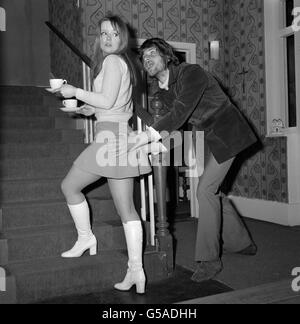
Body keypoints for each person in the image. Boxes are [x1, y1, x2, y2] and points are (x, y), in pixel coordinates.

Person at [133, 38, 258, 282]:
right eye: (144, 57)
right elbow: (167, 123)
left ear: (167, 56)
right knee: (211, 191)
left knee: (204, 191)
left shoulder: (192, 73)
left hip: (229, 130)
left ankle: (209, 260)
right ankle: (242, 243)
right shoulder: (162, 92)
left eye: (152, 54)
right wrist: (132, 106)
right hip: (211, 137)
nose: (147, 59)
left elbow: (180, 111)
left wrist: (149, 135)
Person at [58, 16, 161, 294]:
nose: (106, 38)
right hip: (117, 133)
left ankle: (85, 238)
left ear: (122, 37)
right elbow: (111, 104)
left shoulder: (114, 61)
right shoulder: (120, 62)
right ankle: (136, 272)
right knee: (127, 209)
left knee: (69, 186)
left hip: (111, 139)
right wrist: (86, 109)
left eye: (113, 34)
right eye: (103, 33)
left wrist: (75, 91)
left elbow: (105, 99)